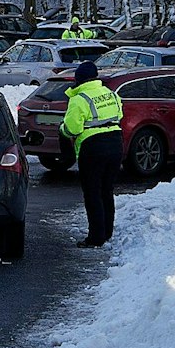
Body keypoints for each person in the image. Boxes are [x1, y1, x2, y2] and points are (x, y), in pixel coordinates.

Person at [58, 60, 123, 248]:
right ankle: (107, 231)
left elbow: (72, 128)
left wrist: (62, 129)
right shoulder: (111, 94)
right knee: (106, 190)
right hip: (115, 143)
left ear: (78, 79)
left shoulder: (79, 99)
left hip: (93, 148)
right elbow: (119, 115)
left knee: (93, 193)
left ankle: (96, 238)